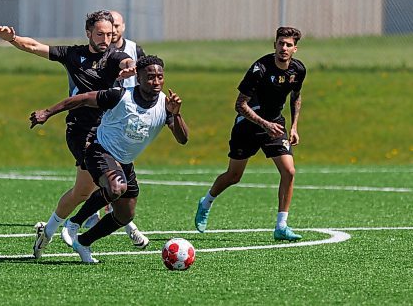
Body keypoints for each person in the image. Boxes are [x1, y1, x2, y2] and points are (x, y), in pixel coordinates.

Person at [0, 10, 145, 259]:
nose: (106, 38)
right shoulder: (73, 54)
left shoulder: (117, 57)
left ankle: (48, 231)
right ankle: (80, 229)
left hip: (110, 131)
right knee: (107, 181)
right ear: (88, 33)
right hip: (81, 131)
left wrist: (131, 68)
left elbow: (128, 62)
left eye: (110, 34)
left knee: (82, 192)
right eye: (100, 34)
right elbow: (33, 46)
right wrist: (11, 38)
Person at [30, 55, 189, 263]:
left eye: (160, 77)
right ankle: (74, 222)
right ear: (138, 78)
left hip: (125, 162)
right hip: (99, 151)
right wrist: (48, 112)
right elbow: (82, 99)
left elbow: (183, 139)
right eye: (150, 77)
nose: (156, 81)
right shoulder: (120, 95)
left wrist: (176, 115)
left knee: (126, 215)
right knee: (116, 188)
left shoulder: (166, 105)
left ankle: (84, 242)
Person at [194, 27, 306, 241]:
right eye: (280, 43)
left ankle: (281, 226)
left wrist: (294, 127)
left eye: (288, 44)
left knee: (289, 171)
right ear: (274, 45)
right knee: (234, 176)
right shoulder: (260, 69)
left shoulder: (298, 70)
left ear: (295, 49)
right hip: (247, 126)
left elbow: (296, 97)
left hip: (275, 125)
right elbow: (240, 105)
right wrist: (264, 124)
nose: (283, 48)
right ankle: (206, 202)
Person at [67, 10, 148, 244]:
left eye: (116, 27)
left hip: (123, 118)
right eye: (106, 30)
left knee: (108, 180)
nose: (113, 32)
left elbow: (139, 68)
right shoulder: (94, 53)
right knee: (101, 179)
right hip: (95, 120)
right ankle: (82, 221)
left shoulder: (131, 50)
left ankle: (96, 218)